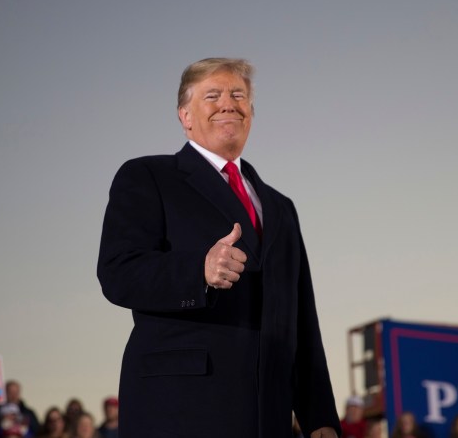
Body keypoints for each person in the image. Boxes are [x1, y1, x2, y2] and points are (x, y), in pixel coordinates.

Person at [97, 57, 340, 437]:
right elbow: (118, 272)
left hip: (267, 416)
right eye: (213, 95)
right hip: (181, 407)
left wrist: (319, 415)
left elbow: (301, 318)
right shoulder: (148, 176)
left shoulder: (280, 207)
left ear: (251, 113)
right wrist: (199, 271)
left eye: (238, 95)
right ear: (185, 116)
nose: (228, 103)